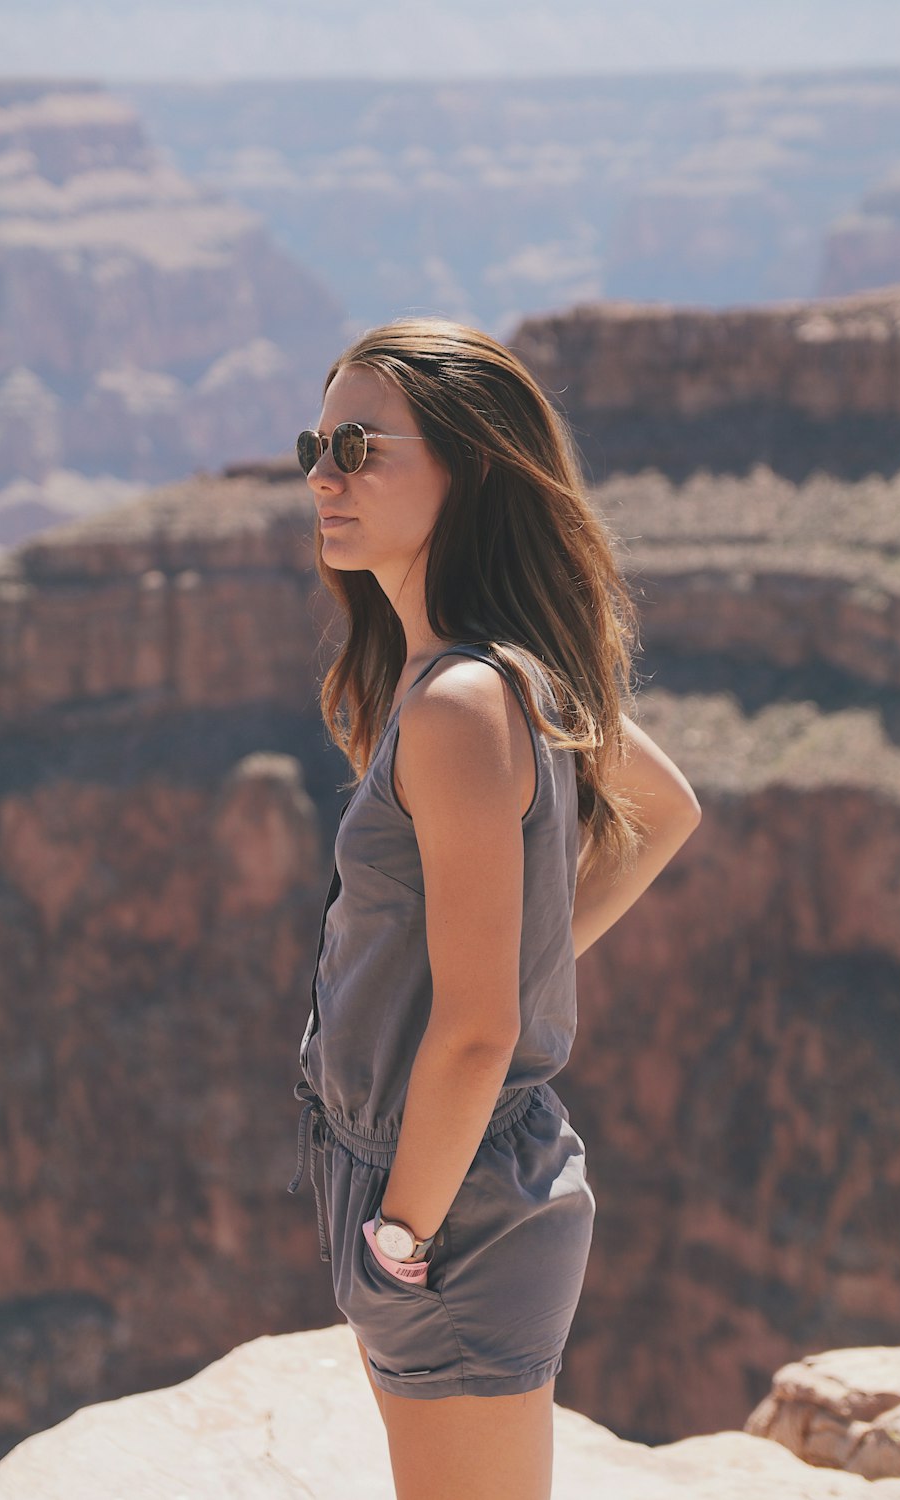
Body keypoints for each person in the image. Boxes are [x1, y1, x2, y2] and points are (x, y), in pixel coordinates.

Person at [288, 318, 702, 1500]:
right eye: (317, 442)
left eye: (362, 444)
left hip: (444, 1198)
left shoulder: (463, 700)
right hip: (409, 1173)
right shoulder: (492, 669)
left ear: (467, 467)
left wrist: (402, 1234)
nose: (325, 473)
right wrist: (532, 958)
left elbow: (475, 1032)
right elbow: (664, 808)